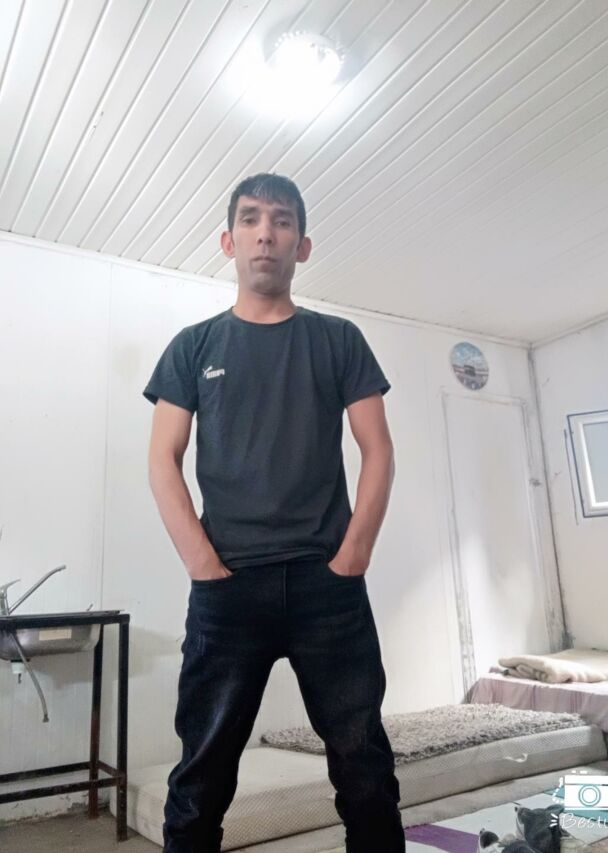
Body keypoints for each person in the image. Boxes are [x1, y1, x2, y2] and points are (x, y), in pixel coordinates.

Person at [143, 173, 405, 853]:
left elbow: (378, 450)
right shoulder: (192, 347)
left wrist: (354, 556)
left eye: (282, 221)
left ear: (302, 245)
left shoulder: (338, 339)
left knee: (365, 768)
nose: (267, 233)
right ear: (229, 241)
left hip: (328, 588)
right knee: (201, 776)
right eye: (252, 219)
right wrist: (202, 563)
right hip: (227, 590)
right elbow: (162, 459)